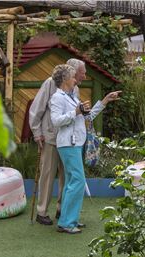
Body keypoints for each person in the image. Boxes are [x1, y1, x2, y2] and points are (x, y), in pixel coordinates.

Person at [50, 64, 120, 234]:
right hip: (68, 144)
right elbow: (56, 121)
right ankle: (67, 222)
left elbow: (87, 116)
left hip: (75, 143)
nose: (76, 80)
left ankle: (68, 219)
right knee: (78, 181)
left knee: (71, 182)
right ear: (66, 79)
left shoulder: (72, 96)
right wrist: (75, 112)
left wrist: (104, 101)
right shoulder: (57, 98)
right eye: (73, 77)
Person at [29, 59, 87, 225]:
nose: (83, 76)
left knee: (67, 176)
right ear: (72, 73)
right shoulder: (50, 83)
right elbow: (37, 109)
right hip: (50, 137)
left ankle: (63, 210)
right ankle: (42, 211)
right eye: (82, 72)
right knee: (47, 173)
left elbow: (75, 112)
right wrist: (36, 132)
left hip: (69, 140)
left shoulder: (75, 88)